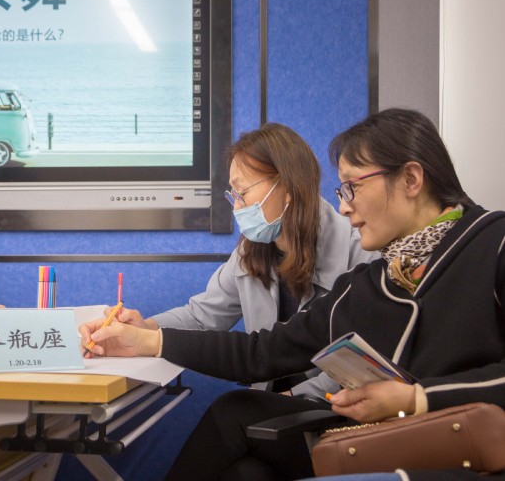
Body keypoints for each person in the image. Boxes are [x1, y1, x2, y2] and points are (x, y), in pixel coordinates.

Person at [80, 108, 505, 480]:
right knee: (247, 472)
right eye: (342, 191)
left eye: (353, 187)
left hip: (458, 455)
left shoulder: (493, 242)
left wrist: (415, 398)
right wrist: (146, 338)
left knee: (236, 414)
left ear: (411, 178)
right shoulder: (376, 279)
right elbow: (262, 352)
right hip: (390, 440)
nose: (345, 206)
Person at [111, 122, 375, 396]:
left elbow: (359, 359)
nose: (237, 207)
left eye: (243, 193)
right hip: (268, 399)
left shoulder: (361, 252)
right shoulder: (252, 249)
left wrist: (294, 399)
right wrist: (146, 328)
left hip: (331, 405)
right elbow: (202, 316)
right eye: (233, 195)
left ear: (287, 186)